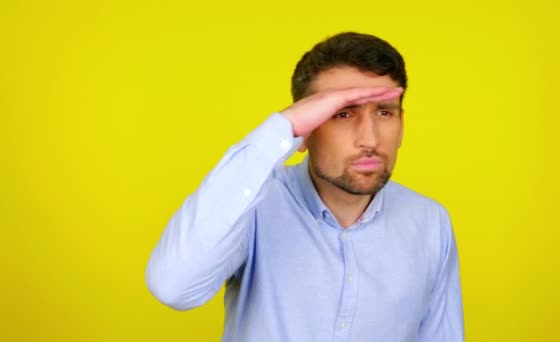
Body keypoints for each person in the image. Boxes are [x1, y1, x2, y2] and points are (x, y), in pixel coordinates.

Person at [146, 32, 464, 342]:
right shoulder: (256, 206)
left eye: (384, 112)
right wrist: (282, 128)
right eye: (342, 113)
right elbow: (174, 287)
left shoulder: (430, 221)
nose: (370, 139)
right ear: (305, 128)